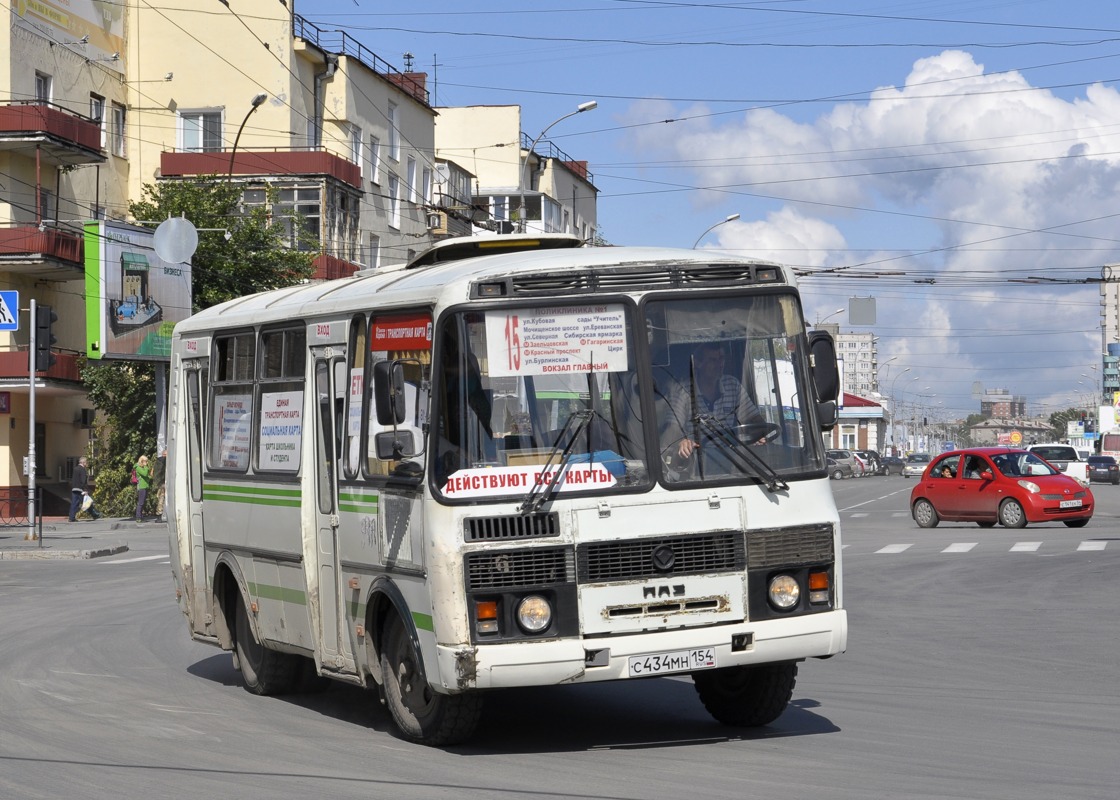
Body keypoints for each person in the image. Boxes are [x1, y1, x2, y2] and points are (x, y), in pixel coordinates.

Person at [665, 341, 767, 464]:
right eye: (713, 360)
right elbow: (673, 429)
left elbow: (753, 419)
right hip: (697, 462)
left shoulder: (732, 385)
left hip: (732, 459)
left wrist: (759, 433)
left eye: (721, 359)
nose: (720, 364)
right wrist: (682, 442)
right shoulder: (683, 390)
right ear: (697, 363)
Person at [69, 456, 101, 521]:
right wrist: (85, 490)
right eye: (86, 463)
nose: (86, 464)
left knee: (74, 503)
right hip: (81, 489)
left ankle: (71, 517)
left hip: (74, 488)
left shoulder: (75, 469)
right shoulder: (82, 469)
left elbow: (74, 479)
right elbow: (83, 480)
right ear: (83, 462)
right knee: (87, 502)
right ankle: (95, 514)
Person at [133, 454, 152, 522]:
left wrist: (150, 477)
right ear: (142, 461)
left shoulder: (143, 467)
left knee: (143, 502)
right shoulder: (138, 467)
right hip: (141, 486)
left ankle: (141, 515)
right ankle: (138, 517)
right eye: (145, 461)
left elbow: (146, 476)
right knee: (140, 502)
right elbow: (144, 474)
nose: (147, 463)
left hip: (145, 486)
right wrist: (146, 467)